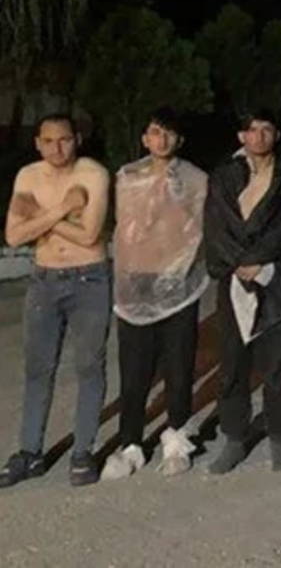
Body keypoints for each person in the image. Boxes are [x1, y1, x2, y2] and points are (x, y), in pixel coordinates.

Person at [0, 114, 111, 488]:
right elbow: (14, 236)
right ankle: (29, 452)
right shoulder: (28, 176)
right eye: (48, 141)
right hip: (44, 280)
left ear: (77, 139)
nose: (56, 148)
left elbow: (90, 235)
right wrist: (63, 210)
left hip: (89, 279)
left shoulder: (93, 174)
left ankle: (82, 453)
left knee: (89, 366)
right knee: (37, 369)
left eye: (64, 140)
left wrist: (38, 216)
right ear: (37, 143)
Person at [102, 108, 209, 481]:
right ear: (145, 138)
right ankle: (130, 443)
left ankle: (177, 438)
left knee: (178, 365)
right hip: (137, 282)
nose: (161, 140)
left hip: (179, 283)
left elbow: (196, 229)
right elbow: (126, 228)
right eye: (154, 133)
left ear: (179, 139)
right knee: (134, 371)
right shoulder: (128, 177)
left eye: (168, 133)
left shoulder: (194, 179)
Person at [203, 110, 281, 474]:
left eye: (266, 129)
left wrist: (258, 261)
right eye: (252, 130)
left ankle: (279, 438)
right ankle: (234, 438)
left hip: (272, 276)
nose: (259, 136)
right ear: (241, 136)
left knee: (276, 364)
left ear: (276, 134)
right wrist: (239, 263)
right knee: (232, 364)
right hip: (234, 279)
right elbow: (217, 225)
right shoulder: (225, 175)